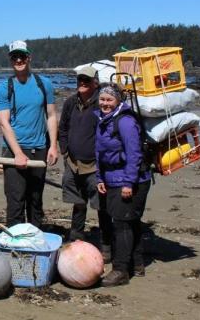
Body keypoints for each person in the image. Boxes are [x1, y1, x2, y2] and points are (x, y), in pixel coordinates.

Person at [0, 40, 59, 228]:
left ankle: (35, 241)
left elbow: (52, 115)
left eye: (22, 56)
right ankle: (15, 245)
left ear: (29, 57)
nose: (19, 60)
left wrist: (53, 146)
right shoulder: (3, 87)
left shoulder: (44, 84)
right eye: (15, 56)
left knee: (35, 200)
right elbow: (4, 124)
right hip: (14, 150)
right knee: (15, 202)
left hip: (39, 148)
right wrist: (18, 153)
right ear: (10, 60)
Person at [95, 83, 152, 287]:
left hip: (131, 180)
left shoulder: (125, 122)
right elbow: (99, 152)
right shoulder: (103, 120)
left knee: (122, 224)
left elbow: (134, 154)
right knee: (129, 221)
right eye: (102, 99)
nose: (105, 103)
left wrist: (128, 183)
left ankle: (120, 271)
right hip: (112, 178)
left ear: (118, 100)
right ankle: (137, 264)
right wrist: (100, 178)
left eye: (109, 99)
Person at [59, 66, 113, 261]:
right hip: (73, 163)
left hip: (95, 166)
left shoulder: (102, 104)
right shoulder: (70, 103)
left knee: (102, 207)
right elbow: (63, 127)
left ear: (95, 83)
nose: (82, 82)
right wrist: (64, 150)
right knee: (78, 203)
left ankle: (106, 246)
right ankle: (76, 238)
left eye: (87, 80)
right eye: (80, 79)